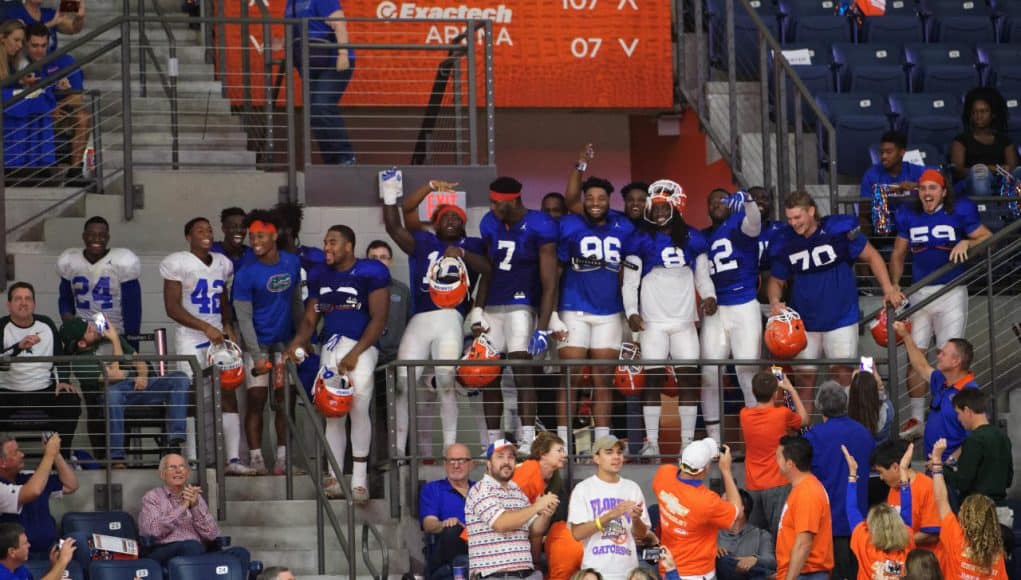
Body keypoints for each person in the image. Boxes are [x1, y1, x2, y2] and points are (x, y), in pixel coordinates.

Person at [381, 177, 488, 455]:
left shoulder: (472, 245)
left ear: (464, 225)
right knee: (404, 382)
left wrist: (462, 252)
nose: (451, 220)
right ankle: (399, 452)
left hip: (451, 317)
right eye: (445, 217)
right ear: (435, 223)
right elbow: (398, 221)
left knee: (444, 379)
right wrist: (427, 187)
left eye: (457, 217)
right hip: (420, 317)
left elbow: (489, 269)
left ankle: (450, 449)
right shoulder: (423, 242)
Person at [767, 192, 904, 399]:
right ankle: (803, 432)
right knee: (804, 382)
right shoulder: (785, 240)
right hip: (803, 322)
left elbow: (872, 256)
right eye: (789, 219)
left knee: (842, 376)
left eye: (798, 217)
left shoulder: (837, 230)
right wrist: (775, 301)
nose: (793, 223)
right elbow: (776, 280)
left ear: (811, 211)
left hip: (840, 317)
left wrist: (888, 288)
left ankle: (844, 430)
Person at [287, 225, 389, 500]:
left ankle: (359, 481)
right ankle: (333, 478)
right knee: (332, 411)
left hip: (361, 346)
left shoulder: (371, 272)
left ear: (349, 246)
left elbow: (379, 318)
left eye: (333, 242)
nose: (327, 248)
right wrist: (297, 342)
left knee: (358, 407)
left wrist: (356, 352)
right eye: (324, 242)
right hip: (331, 346)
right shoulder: (321, 273)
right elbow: (312, 316)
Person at [890, 169, 991, 441]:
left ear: (944, 192)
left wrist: (967, 240)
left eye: (933, 188)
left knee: (950, 356)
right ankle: (918, 418)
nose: (927, 193)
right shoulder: (909, 214)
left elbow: (988, 236)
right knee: (917, 356)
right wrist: (895, 284)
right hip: (920, 293)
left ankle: (953, 410)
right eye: (923, 188)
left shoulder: (959, 210)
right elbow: (898, 254)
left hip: (951, 291)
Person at [621, 180, 715, 453]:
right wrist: (631, 312)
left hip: (684, 320)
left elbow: (703, 278)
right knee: (652, 380)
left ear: (676, 206)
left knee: (688, 379)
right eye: (656, 207)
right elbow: (630, 283)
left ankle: (686, 441)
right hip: (653, 322)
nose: (660, 212)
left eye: (665, 207)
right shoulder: (639, 238)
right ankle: (652, 442)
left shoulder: (693, 237)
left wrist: (710, 298)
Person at [472, 176, 562, 456]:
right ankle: (494, 441)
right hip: (493, 306)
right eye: (492, 202)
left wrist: (543, 327)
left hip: (522, 304)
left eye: (499, 203)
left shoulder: (540, 224)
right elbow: (488, 269)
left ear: (515, 200)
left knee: (523, 372)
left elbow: (550, 282)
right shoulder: (489, 222)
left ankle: (526, 439)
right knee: (488, 376)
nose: (493, 207)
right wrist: (478, 308)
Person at [556, 176, 635, 452]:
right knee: (571, 377)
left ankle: (601, 442)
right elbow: (557, 267)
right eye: (590, 198)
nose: (595, 203)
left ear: (609, 200)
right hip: (573, 307)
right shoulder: (570, 224)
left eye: (601, 198)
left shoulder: (622, 225)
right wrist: (554, 312)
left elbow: (631, 265)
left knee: (604, 377)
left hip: (609, 310)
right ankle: (563, 444)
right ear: (582, 200)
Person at [60, 317, 189, 467]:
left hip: (140, 386)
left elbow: (139, 362)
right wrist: (115, 339)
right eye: (89, 330)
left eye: (91, 325)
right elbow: (116, 375)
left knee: (180, 378)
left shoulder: (105, 338)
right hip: (114, 394)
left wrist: (142, 375)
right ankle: (117, 457)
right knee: (112, 394)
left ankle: (175, 441)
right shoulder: (79, 363)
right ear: (81, 343)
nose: (94, 328)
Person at [232, 209, 303, 475]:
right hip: (257, 344)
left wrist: (301, 339)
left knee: (286, 401)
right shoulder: (245, 272)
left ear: (274, 235)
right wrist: (256, 355)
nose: (255, 241)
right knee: (256, 401)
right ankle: (257, 460)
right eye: (252, 237)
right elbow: (244, 318)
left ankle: (284, 461)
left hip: (285, 344)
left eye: (260, 236)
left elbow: (297, 303)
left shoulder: (291, 263)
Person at [160, 216, 234, 467]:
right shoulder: (178, 262)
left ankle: (230, 457)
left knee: (225, 392)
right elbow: (172, 307)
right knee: (192, 395)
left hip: (217, 337)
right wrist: (205, 327)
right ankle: (192, 457)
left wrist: (226, 325)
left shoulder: (223, 263)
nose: (207, 233)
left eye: (210, 230)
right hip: (191, 336)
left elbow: (223, 299)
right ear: (188, 237)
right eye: (200, 230)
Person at [702, 188, 765, 433]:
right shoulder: (704, 236)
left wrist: (748, 201)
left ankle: (755, 435)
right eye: (712, 201)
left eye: (722, 199)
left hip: (743, 304)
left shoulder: (740, 222)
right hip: (717, 310)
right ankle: (713, 441)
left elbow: (755, 221)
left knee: (746, 370)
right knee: (709, 373)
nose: (717, 203)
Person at [0, 282, 80, 458]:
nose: (23, 303)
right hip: (8, 391)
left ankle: (61, 458)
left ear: (34, 304)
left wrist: (64, 381)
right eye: (18, 299)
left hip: (44, 389)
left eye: (28, 299)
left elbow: (60, 358)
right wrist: (18, 347)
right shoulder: (2, 326)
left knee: (71, 401)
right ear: (9, 305)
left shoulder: (46, 324)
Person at [804, 381, 874, 580]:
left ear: (820, 406)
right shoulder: (863, 432)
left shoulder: (814, 436)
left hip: (829, 522)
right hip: (859, 520)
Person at [464, 439, 558, 580]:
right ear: (488, 464)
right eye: (500, 457)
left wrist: (546, 513)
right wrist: (537, 506)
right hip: (495, 574)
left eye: (511, 457)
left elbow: (535, 530)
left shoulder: (517, 491)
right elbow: (502, 523)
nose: (506, 462)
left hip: (527, 573)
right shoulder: (480, 490)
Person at [138, 454, 251, 568]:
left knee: (240, 553)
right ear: (162, 474)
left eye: (182, 467)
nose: (178, 471)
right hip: (166, 552)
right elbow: (153, 531)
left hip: (200, 552)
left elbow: (212, 534)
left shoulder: (195, 497)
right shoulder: (152, 497)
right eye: (172, 467)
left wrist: (195, 506)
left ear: (187, 473)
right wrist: (183, 507)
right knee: (191, 546)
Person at [652, 437, 742, 579]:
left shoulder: (663, 474)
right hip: (697, 573)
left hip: (667, 567)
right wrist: (726, 471)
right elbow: (737, 513)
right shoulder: (707, 501)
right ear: (704, 470)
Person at [567, 435, 650, 580]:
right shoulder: (583, 489)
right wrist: (610, 515)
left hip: (628, 572)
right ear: (596, 458)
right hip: (594, 572)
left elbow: (642, 534)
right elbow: (577, 533)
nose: (616, 457)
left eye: (619, 452)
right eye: (609, 452)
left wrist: (636, 519)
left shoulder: (632, 488)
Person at [893, 321, 977, 462]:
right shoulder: (941, 380)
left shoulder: (970, 393)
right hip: (933, 467)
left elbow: (974, 439)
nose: (938, 356)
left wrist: (948, 463)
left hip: (951, 472)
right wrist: (906, 336)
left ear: (956, 361)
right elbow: (921, 366)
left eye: (943, 354)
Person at [285, 0, 355, 165]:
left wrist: (343, 54)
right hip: (311, 63)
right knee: (314, 113)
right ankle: (332, 162)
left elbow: (339, 22)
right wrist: (280, 43)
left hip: (333, 60)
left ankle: (346, 158)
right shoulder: (291, 4)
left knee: (322, 105)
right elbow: (298, 33)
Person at [20, 23, 90, 184]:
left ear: (49, 43)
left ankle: (74, 172)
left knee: (83, 117)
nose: (39, 50)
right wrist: (48, 107)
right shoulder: (18, 62)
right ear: (25, 44)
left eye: (43, 45)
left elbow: (77, 97)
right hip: (30, 115)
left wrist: (55, 106)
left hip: (58, 115)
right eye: (35, 45)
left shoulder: (64, 60)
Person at [930, 437, 1008, 580]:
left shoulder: (955, 537)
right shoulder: (996, 556)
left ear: (964, 515)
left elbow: (941, 499)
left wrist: (936, 461)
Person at [56, 216, 142, 347]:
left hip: (115, 334)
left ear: (108, 237)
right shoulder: (70, 261)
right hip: (84, 335)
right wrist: (71, 323)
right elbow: (65, 299)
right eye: (91, 235)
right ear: (84, 236)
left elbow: (132, 308)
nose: (96, 239)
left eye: (102, 235)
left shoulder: (123, 261)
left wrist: (130, 341)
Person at [740, 370, 807, 534]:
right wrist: (791, 390)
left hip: (753, 483)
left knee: (756, 536)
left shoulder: (744, 415)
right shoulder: (782, 414)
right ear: (776, 393)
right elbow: (804, 419)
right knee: (780, 533)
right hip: (778, 482)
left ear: (753, 392)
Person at [841, 442, 915, 580]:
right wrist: (903, 472)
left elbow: (851, 509)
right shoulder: (907, 542)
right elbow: (907, 508)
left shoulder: (864, 542)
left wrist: (852, 474)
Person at [0, 434, 77, 559]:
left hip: (50, 552)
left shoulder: (30, 476)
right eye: (15, 453)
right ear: (2, 463)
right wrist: (49, 455)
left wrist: (56, 454)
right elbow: (33, 491)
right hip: (17, 560)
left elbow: (71, 485)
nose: (22, 455)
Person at [775, 435, 834, 580]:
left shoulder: (807, 493)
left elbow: (803, 544)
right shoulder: (804, 488)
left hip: (806, 574)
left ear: (789, 464)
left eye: (778, 458)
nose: (775, 462)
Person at [870, 440, 942, 556]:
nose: (881, 478)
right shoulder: (894, 487)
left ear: (895, 467)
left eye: (881, 472)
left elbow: (932, 534)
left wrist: (898, 542)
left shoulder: (927, 487)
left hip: (924, 562)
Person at [943, 388, 1013, 504]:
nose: (958, 419)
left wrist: (940, 469)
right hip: (1000, 508)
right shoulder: (1003, 437)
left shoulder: (974, 440)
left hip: (975, 510)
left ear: (967, 411)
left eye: (958, 413)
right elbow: (1008, 479)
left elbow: (962, 482)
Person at [950, 87, 1021, 198]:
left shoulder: (1004, 140)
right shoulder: (961, 140)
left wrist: (996, 170)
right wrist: (988, 168)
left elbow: (1012, 168)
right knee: (980, 172)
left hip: (1001, 180)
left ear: (993, 114)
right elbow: (958, 170)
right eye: (975, 112)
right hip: (972, 181)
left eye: (983, 111)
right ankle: (985, 212)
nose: (979, 116)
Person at [419, 443, 473, 580]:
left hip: (479, 550)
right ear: (445, 464)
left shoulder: (481, 489)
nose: (456, 465)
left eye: (461, 460)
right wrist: (444, 524)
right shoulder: (433, 489)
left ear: (471, 464)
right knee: (452, 530)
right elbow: (428, 524)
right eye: (451, 461)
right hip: (446, 559)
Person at [365, 240, 411, 366]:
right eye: (373, 258)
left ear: (390, 261)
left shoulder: (402, 290)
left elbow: (409, 323)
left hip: (395, 357)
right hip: (366, 354)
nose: (378, 261)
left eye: (383, 257)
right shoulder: (358, 289)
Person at [716, 490, 777, 580]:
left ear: (741, 508)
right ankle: (764, 575)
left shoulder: (761, 535)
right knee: (721, 559)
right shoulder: (711, 534)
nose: (719, 507)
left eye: (725, 503)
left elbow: (771, 561)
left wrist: (755, 559)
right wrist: (711, 550)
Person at [859, 130, 927, 206]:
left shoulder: (917, 171)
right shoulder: (871, 175)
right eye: (882, 152)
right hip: (883, 217)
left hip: (912, 216)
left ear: (902, 152)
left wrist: (917, 186)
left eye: (889, 152)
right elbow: (864, 209)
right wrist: (886, 191)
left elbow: (938, 189)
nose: (883, 156)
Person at [0, 522, 75, 580]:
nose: (29, 545)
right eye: (25, 543)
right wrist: (63, 560)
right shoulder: (2, 575)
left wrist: (55, 566)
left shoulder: (18, 567)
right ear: (12, 552)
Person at [6, 0, 85, 52]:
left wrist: (79, 18)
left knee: (69, 62)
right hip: (27, 66)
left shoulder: (49, 13)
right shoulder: (14, 13)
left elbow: (73, 29)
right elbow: (22, 38)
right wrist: (51, 23)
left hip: (50, 63)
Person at [847, 370, 894, 445]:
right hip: (880, 452)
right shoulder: (887, 409)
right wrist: (879, 382)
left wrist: (854, 382)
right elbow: (883, 399)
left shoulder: (847, 409)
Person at [211, 207, 253, 274]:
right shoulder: (211, 251)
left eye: (243, 226)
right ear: (224, 228)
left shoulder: (252, 255)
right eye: (234, 226)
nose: (239, 230)